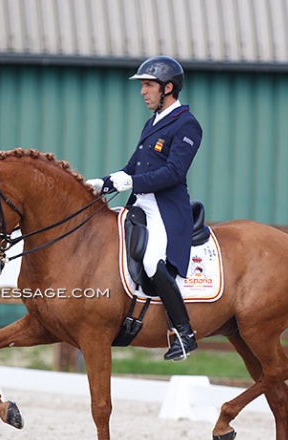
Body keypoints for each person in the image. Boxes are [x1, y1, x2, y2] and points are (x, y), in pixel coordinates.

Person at [86, 56, 203, 361]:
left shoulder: (187, 124)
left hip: (165, 209)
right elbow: (132, 167)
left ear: (168, 88)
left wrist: (130, 182)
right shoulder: (152, 123)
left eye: (148, 85)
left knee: (152, 261)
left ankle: (184, 332)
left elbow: (174, 173)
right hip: (140, 203)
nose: (142, 92)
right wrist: (104, 183)